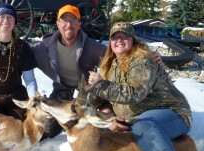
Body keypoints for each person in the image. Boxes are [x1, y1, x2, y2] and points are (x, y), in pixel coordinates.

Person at [31, 4, 164, 139]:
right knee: (46, 132)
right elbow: (21, 54)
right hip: (62, 91)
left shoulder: (91, 46)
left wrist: (144, 53)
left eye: (73, 20)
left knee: (92, 131)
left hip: (88, 94)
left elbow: (119, 52)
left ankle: (108, 116)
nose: (69, 25)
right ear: (58, 23)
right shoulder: (43, 47)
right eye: (64, 20)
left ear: (79, 24)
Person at [88, 22, 192, 151]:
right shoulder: (110, 66)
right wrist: (106, 117)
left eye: (124, 36)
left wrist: (101, 84)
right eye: (115, 37)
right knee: (94, 129)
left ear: (133, 39)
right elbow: (103, 99)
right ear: (110, 42)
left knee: (144, 125)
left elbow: (135, 93)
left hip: (172, 114)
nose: (119, 40)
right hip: (132, 118)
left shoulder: (143, 60)